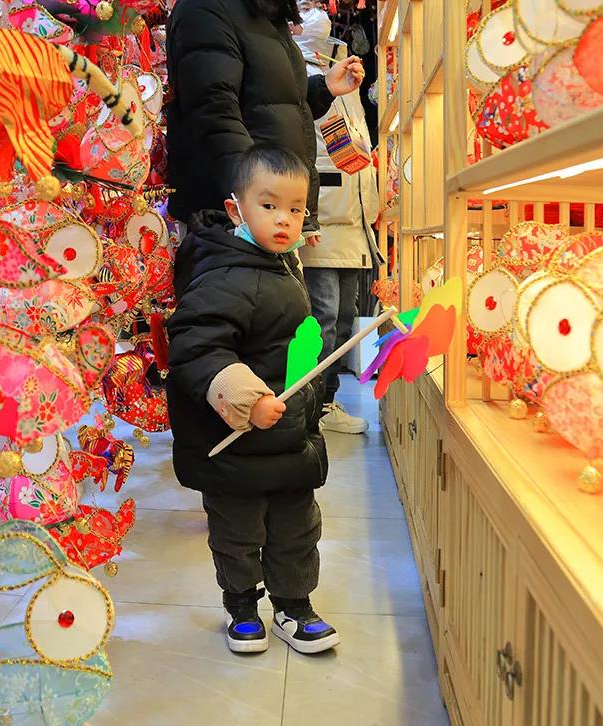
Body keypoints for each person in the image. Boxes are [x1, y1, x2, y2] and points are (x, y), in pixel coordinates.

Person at [166, 144, 338, 655]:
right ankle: (242, 605)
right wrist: (246, 398)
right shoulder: (226, 274)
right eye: (269, 205)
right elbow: (197, 345)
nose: (284, 219)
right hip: (238, 440)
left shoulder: (281, 265)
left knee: (296, 529)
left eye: (296, 208)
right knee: (238, 532)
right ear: (236, 209)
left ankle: (294, 606)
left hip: (289, 438)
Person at [165, 0, 365, 239]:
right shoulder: (208, 9)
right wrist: (259, 198)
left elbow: (271, 107)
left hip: (266, 211)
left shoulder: (265, 13)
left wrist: (323, 88)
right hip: (234, 221)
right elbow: (214, 114)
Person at [293, 2, 382, 434]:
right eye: (306, 6)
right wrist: (306, 217)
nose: (317, 12)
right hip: (323, 218)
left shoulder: (339, 67)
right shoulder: (297, 72)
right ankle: (308, 407)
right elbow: (310, 151)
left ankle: (324, 402)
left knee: (342, 320)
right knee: (321, 321)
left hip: (351, 217)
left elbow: (354, 146)